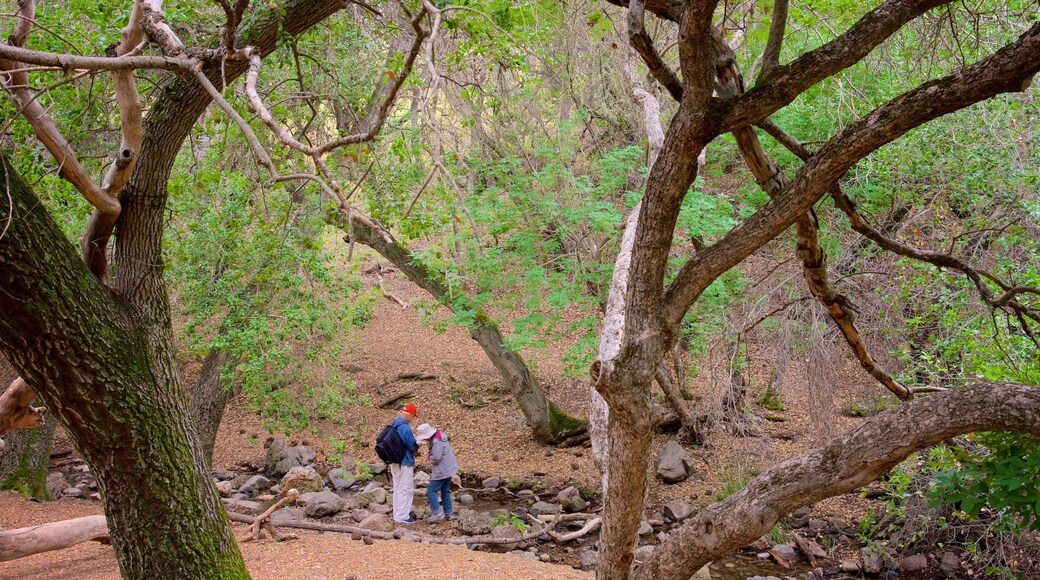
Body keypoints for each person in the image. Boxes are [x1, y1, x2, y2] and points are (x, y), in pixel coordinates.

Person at [414, 422, 458, 522]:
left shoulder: (437, 442)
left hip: (442, 469)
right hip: (449, 467)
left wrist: (429, 455)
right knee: (445, 491)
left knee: (431, 490)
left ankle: (437, 513)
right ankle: (449, 514)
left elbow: (436, 458)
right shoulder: (440, 436)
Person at [388, 403, 420, 524]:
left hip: (394, 461)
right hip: (404, 461)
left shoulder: (394, 423)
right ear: (410, 415)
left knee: (397, 487)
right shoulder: (404, 427)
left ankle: (397, 514)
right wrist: (419, 444)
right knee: (405, 488)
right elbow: (412, 445)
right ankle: (402, 516)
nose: (412, 419)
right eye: (413, 416)